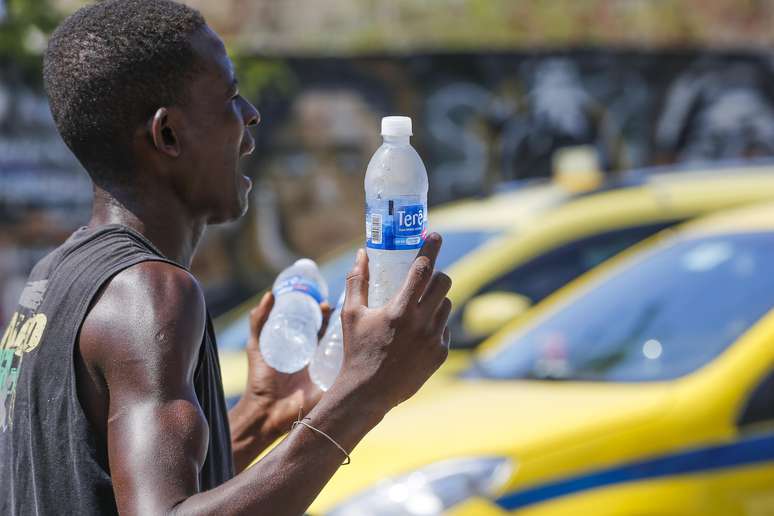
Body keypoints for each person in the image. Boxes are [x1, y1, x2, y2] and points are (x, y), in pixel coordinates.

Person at [0, 1, 452, 514]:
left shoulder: (55, 274)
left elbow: (125, 489)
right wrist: (362, 393)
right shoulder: (148, 292)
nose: (251, 114)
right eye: (230, 97)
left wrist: (260, 414)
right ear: (167, 134)